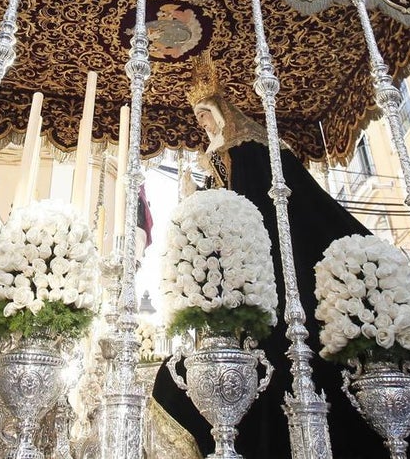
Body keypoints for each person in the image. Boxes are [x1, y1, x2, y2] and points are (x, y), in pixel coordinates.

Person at [153, 61, 391, 459]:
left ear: (221, 113)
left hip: (266, 248)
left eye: (206, 115)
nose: (203, 124)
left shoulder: (245, 147)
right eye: (199, 118)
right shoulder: (219, 153)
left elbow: (249, 198)